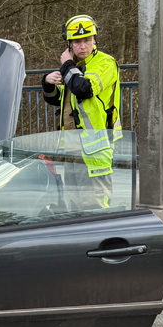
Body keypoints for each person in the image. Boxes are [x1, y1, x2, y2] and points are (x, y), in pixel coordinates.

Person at [41, 14, 122, 210]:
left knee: (94, 206)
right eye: (77, 42)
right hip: (72, 148)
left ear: (95, 41)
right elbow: (58, 99)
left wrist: (67, 64)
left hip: (96, 150)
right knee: (74, 205)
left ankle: (102, 240)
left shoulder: (105, 63)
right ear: (69, 44)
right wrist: (47, 83)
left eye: (87, 40)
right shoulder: (75, 68)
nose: (82, 46)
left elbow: (84, 89)